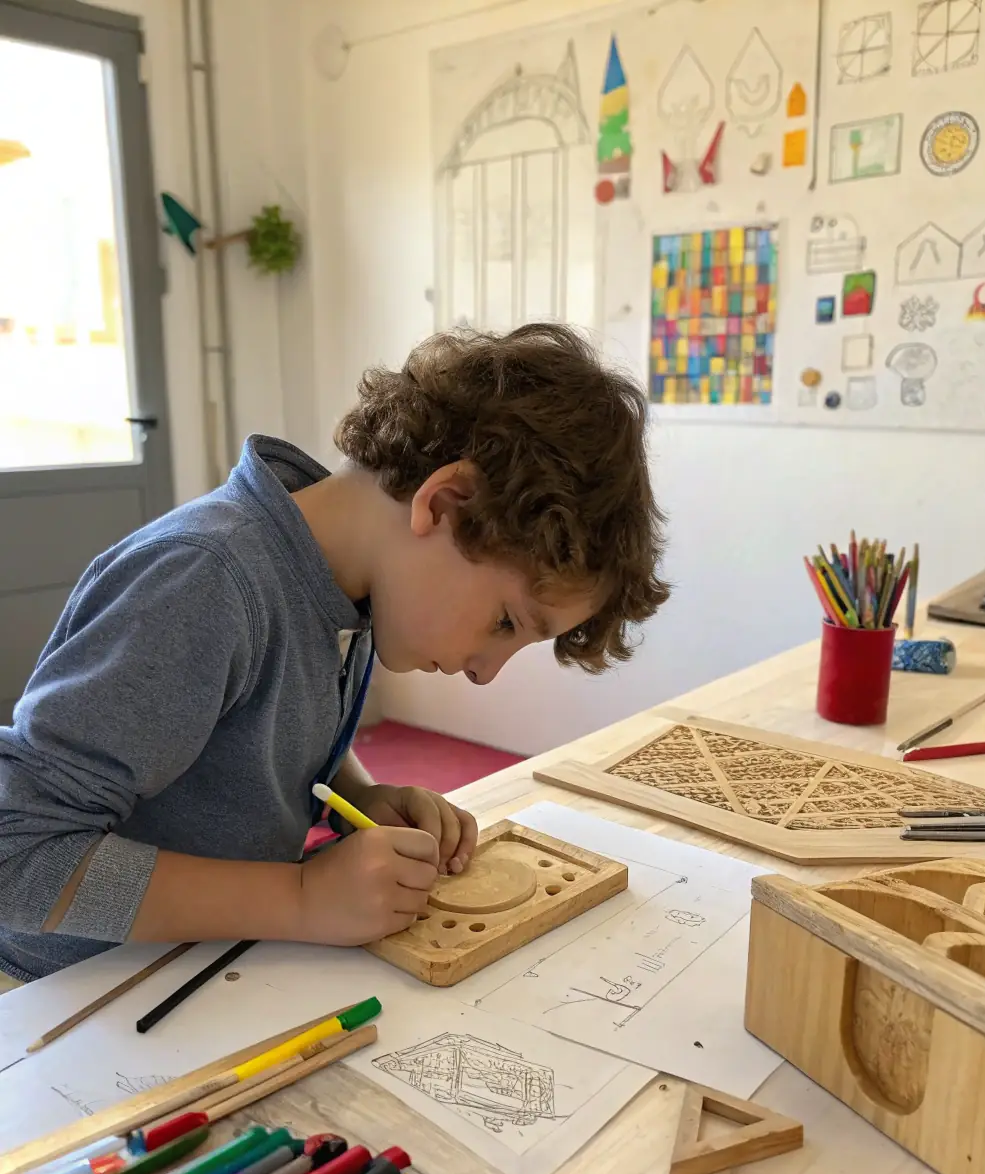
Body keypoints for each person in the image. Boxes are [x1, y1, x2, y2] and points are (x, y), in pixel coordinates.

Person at [0, 323, 669, 981]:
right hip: (63, 1000)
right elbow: (19, 856)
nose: (486, 670)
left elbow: (266, 721)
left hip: (197, 965)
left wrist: (359, 795)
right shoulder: (207, 581)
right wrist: (300, 899)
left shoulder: (341, 585)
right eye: (503, 622)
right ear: (444, 504)